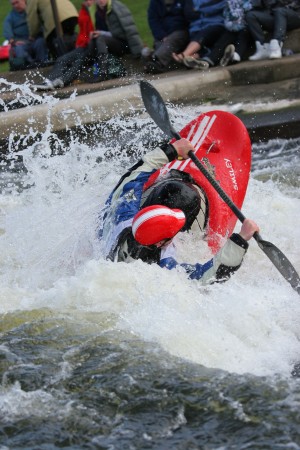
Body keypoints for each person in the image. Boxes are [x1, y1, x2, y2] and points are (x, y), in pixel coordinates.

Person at [98, 138, 259, 285]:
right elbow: (209, 277)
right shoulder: (164, 269)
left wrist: (171, 150)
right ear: (161, 243)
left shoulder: (121, 216)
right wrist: (240, 240)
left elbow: (132, 178)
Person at [186, 0, 253, 69]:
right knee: (227, 36)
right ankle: (209, 60)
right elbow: (228, 13)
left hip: (248, 25)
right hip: (233, 26)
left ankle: (232, 57)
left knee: (243, 34)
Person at [172, 0, 226, 69]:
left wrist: (199, 9)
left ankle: (183, 55)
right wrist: (202, 10)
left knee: (204, 35)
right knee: (202, 47)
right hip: (196, 27)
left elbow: (218, 5)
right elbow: (189, 13)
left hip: (215, 24)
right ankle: (192, 59)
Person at [144, 0, 189, 74]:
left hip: (180, 31)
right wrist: (162, 36)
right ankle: (156, 63)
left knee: (173, 40)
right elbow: (153, 21)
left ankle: (154, 61)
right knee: (160, 44)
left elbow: (187, 17)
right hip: (163, 35)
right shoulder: (154, 2)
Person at [3, 0, 48, 71]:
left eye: (17, 2)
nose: (15, 6)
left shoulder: (32, 11)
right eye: (13, 4)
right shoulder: (10, 17)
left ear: (24, 1)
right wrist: (14, 41)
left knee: (41, 42)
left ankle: (44, 65)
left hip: (36, 39)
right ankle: (29, 67)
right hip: (22, 42)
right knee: (18, 48)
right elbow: (7, 32)